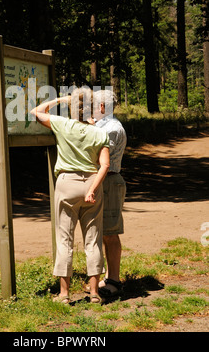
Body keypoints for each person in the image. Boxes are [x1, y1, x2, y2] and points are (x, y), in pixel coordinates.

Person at [30, 87, 110, 304]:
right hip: (92, 183)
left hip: (66, 184)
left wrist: (60, 99)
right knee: (93, 240)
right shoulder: (100, 133)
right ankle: (94, 293)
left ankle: (64, 295)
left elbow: (35, 112)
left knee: (64, 239)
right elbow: (105, 165)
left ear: (73, 109)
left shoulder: (62, 124)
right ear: (92, 109)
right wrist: (92, 188)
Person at [93, 89, 127, 297]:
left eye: (93, 105)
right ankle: (107, 277)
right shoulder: (103, 125)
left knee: (110, 232)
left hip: (109, 182)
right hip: (102, 182)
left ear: (102, 107)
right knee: (102, 232)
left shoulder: (112, 128)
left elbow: (99, 158)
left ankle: (114, 279)